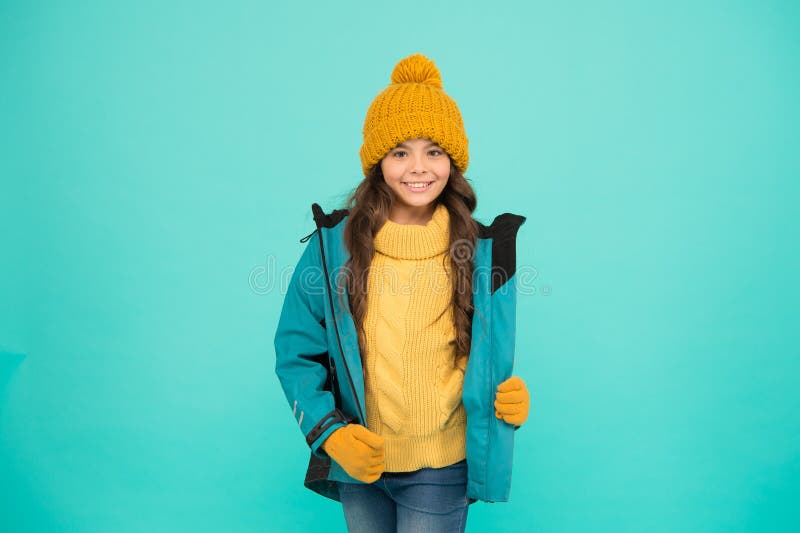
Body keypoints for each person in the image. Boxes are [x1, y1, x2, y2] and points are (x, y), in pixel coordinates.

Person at [274, 53, 531, 533]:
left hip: (441, 466)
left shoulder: (480, 252)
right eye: (400, 152)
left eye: (434, 150)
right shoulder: (333, 249)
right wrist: (331, 434)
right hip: (362, 463)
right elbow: (295, 352)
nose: (418, 167)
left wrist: (509, 401)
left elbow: (487, 353)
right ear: (377, 162)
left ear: (452, 161)